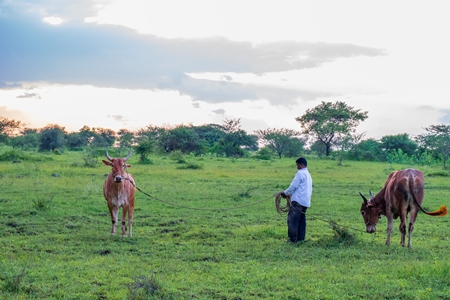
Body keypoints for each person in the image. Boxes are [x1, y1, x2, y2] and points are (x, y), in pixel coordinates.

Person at [281, 157, 313, 243]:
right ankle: (300, 239)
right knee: (301, 221)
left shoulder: (300, 173)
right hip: (305, 202)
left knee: (292, 220)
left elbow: (293, 186)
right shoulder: (308, 174)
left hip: (298, 201)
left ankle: (293, 240)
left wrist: (285, 193)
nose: (297, 167)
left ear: (302, 165)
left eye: (298, 165)